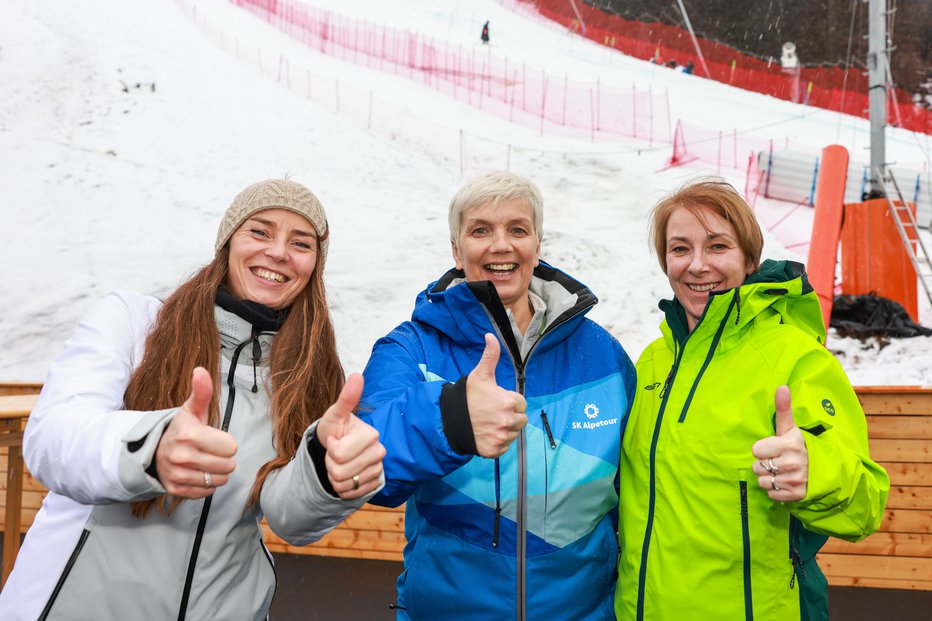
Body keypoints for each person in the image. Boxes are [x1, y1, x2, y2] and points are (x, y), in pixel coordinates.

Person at [0, 179, 385, 621]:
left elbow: (289, 519)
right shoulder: (133, 321)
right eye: (259, 231)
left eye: (301, 243)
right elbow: (55, 438)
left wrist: (325, 474)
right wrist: (151, 447)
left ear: (314, 266)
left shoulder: (305, 373)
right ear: (226, 242)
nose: (278, 252)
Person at [359, 171, 636, 620]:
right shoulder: (412, 348)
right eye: (481, 230)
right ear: (456, 249)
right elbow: (368, 469)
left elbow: (639, 490)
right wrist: (449, 419)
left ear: (537, 244)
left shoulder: (603, 356)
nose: (501, 245)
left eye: (518, 230)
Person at [615, 179, 890, 620]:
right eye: (680, 249)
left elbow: (864, 507)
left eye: (718, 246)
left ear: (749, 259)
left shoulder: (796, 358)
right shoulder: (652, 362)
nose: (697, 265)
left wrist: (814, 470)